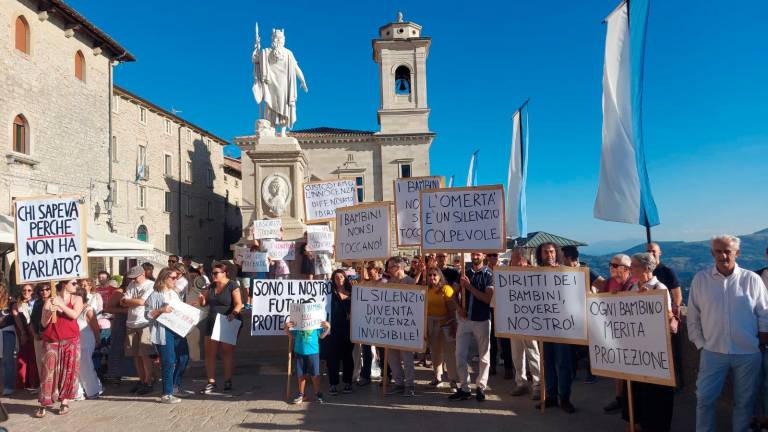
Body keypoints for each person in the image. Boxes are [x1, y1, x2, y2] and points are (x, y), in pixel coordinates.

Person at [687, 235, 768, 432]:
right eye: (718, 251)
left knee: (744, 402)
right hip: (712, 352)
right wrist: (700, 344)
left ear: (737, 253)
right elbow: (692, 316)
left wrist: (761, 344)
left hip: (748, 353)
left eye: (728, 251)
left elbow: (764, 313)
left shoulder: (752, 279)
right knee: (704, 399)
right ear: (712, 253)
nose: (723, 255)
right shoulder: (701, 279)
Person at [620, 252, 676, 432]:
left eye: (634, 266)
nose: (630, 269)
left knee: (655, 394)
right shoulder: (632, 288)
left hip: (655, 349)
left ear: (645, 268)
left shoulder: (660, 288)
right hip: (637, 348)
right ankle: (637, 423)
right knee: (638, 391)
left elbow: (666, 317)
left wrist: (648, 299)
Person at [535, 242, 576, 413]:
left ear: (556, 253)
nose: (549, 255)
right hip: (543, 327)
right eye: (545, 252)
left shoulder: (566, 273)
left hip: (562, 327)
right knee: (547, 363)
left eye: (552, 252)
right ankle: (551, 396)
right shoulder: (533, 274)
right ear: (540, 255)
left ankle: (564, 398)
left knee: (563, 363)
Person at [36, 279, 84, 418]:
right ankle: (44, 402)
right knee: (48, 372)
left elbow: (74, 315)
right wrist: (50, 311)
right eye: (73, 283)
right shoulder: (51, 299)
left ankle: (64, 401)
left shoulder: (77, 298)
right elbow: (43, 323)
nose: (76, 286)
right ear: (64, 284)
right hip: (51, 339)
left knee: (68, 371)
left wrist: (61, 305)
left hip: (70, 339)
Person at [449, 252, 494, 402]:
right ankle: (464, 387)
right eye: (473, 254)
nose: (475, 257)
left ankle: (481, 385)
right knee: (459, 354)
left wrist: (468, 287)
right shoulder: (464, 273)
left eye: (478, 254)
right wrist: (458, 308)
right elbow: (452, 294)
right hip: (465, 319)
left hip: (482, 319)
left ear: (483, 256)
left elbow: (487, 298)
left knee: (484, 357)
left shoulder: (489, 274)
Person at [146, 267, 190, 404]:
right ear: (164, 278)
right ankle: (167, 393)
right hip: (164, 331)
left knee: (183, 358)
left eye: (177, 277)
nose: (175, 280)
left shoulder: (173, 293)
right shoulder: (155, 294)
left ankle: (175, 386)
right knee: (169, 361)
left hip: (177, 330)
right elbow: (147, 314)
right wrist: (161, 310)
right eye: (173, 278)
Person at [198, 262, 243, 394]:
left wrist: (233, 314)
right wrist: (201, 299)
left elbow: (239, 303)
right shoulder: (211, 286)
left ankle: (228, 380)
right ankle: (211, 382)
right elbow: (205, 303)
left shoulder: (232, 285)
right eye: (212, 273)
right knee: (209, 353)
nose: (213, 275)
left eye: (216, 273)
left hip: (226, 321)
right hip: (212, 321)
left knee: (227, 352)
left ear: (224, 273)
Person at [562, 246, 603, 384]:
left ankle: (592, 373)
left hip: (586, 314)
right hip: (569, 314)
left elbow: (603, 284)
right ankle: (572, 372)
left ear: (567, 258)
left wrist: (593, 296)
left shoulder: (586, 271)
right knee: (571, 344)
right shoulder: (563, 272)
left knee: (588, 345)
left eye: (562, 257)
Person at [646, 242, 684, 387]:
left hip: (666, 320)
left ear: (659, 253)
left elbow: (677, 296)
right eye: (648, 251)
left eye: (653, 251)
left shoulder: (667, 271)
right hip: (651, 322)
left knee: (672, 354)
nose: (651, 253)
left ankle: (676, 383)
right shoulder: (645, 271)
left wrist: (673, 317)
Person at [601, 253, 634, 414]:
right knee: (617, 369)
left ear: (626, 269)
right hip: (613, 333)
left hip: (632, 335)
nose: (611, 268)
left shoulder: (635, 284)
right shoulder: (608, 283)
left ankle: (631, 403)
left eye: (615, 265)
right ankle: (619, 398)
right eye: (611, 264)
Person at [508, 248, 542, 399]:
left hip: (529, 321)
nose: (510, 262)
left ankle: (538, 385)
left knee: (532, 352)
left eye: (513, 259)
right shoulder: (506, 276)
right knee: (516, 354)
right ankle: (521, 383)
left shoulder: (533, 274)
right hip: (513, 321)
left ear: (521, 260)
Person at [383, 257, 418, 396]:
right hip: (392, 326)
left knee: (407, 357)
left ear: (398, 267)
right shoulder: (389, 282)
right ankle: (398, 382)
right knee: (392, 357)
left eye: (390, 267)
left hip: (406, 327)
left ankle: (409, 385)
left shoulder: (410, 282)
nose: (388, 269)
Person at [120, 265, 156, 395]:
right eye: (131, 278)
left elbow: (142, 302)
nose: (133, 280)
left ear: (142, 275)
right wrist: (129, 301)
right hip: (131, 322)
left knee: (145, 354)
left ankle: (149, 381)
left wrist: (129, 301)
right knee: (135, 354)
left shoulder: (150, 285)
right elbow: (123, 301)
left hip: (144, 321)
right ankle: (141, 380)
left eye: (135, 277)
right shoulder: (131, 285)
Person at [323, 269, 354, 395]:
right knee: (333, 358)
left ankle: (348, 382)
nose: (339, 279)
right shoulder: (328, 293)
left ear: (345, 278)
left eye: (341, 277)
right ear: (333, 279)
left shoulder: (353, 292)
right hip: (333, 330)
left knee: (348, 357)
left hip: (349, 330)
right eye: (336, 277)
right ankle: (333, 384)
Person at [425, 268, 458, 388]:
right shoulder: (426, 290)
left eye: (434, 275)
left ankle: (453, 380)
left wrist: (453, 324)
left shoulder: (446, 289)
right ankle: (437, 377)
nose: (432, 277)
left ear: (440, 276)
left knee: (450, 353)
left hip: (446, 323)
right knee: (435, 352)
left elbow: (452, 309)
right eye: (429, 275)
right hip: (431, 323)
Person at [286, 318, 330, 404]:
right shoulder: (297, 324)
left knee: (315, 375)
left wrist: (328, 328)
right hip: (299, 352)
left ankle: (317, 394)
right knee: (301, 374)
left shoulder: (317, 324)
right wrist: (286, 328)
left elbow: (321, 336)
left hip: (313, 352)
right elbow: (292, 336)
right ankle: (301, 395)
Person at [486, 252, 512, 379]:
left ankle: (508, 367)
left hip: (503, 308)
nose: (492, 258)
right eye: (490, 256)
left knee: (505, 339)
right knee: (491, 339)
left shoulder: (505, 268)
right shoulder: (484, 271)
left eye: (494, 255)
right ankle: (492, 366)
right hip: (489, 307)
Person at [75, 284, 102, 400]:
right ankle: (78, 391)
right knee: (77, 366)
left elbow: (95, 326)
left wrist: (97, 339)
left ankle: (93, 390)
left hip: (86, 339)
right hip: (76, 340)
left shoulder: (88, 309)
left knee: (86, 365)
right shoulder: (73, 309)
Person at [13, 283, 39, 391]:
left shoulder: (36, 302)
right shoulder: (16, 304)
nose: (26, 292)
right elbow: (17, 319)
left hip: (35, 331)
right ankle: (23, 383)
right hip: (24, 332)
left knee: (34, 357)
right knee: (24, 357)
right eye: (24, 290)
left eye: (29, 290)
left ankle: (34, 382)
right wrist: (23, 333)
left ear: (32, 291)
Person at [104, 277, 128, 384]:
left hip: (135, 322)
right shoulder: (119, 293)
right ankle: (114, 375)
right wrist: (124, 311)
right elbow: (108, 308)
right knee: (117, 348)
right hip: (121, 321)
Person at [29, 283, 51, 384]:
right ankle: (43, 385)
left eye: (47, 289)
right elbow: (32, 321)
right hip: (38, 336)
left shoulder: (55, 302)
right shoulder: (37, 303)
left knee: (51, 362)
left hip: (51, 337)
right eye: (42, 290)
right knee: (40, 362)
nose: (44, 292)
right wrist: (35, 334)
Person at [0, 283, 18, 395]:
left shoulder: (11, 302)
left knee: (8, 360)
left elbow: (17, 317)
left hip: (8, 331)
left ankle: (8, 386)